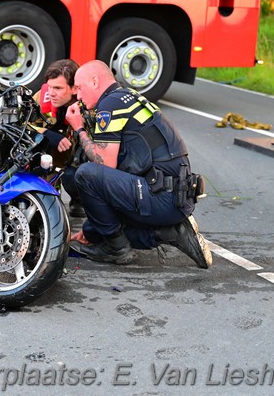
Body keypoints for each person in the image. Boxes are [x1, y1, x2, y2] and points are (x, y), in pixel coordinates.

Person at [64, 60, 212, 268]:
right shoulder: (128, 97)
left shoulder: (109, 105)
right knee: (103, 224)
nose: (78, 96)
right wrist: (92, 230)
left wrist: (79, 129)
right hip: (174, 197)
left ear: (95, 81)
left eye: (79, 88)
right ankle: (170, 233)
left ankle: (117, 249)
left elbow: (104, 165)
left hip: (161, 197)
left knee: (85, 174)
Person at [33, 59, 86, 217]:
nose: (51, 92)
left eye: (58, 88)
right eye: (49, 86)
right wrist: (46, 133)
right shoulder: (41, 98)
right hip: (51, 159)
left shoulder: (88, 104)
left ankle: (79, 198)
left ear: (74, 89)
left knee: (74, 176)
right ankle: (48, 194)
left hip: (76, 161)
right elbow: (21, 125)